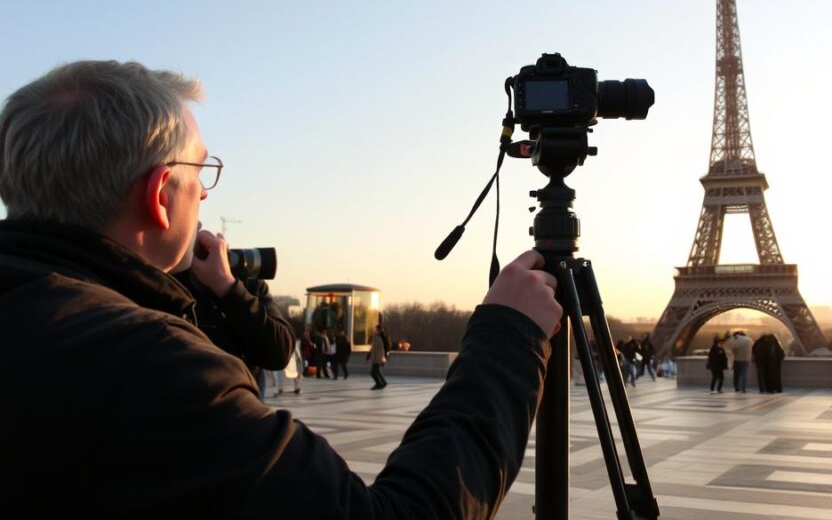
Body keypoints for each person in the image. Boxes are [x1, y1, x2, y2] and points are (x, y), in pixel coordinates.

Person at [0, 60, 563, 514]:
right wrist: (507, 339)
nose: (204, 197)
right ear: (159, 193)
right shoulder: (152, 368)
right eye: (201, 173)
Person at [173, 268, 294, 403]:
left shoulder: (247, 284)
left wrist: (229, 288)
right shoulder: (169, 284)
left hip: (244, 411)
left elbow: (280, 353)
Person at [368, 324, 389, 389]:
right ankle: (383, 382)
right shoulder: (376, 337)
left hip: (378, 357)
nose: (375, 330)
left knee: (373, 372)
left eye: (376, 329)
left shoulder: (381, 338)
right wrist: (369, 355)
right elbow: (373, 348)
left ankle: (379, 384)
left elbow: (382, 349)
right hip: (377, 357)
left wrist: (383, 357)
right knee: (377, 371)